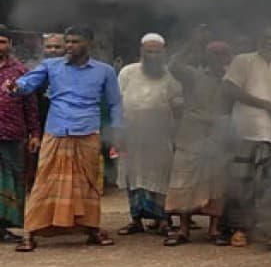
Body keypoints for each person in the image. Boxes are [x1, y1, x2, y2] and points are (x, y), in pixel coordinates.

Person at [7, 26, 122, 252]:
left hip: (88, 131)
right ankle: (30, 232)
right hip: (57, 130)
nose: (69, 46)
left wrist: (117, 130)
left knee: (88, 183)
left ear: (89, 42)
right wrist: (15, 87)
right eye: (67, 42)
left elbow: (115, 103)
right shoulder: (51, 66)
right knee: (45, 182)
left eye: (75, 42)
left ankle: (91, 228)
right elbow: (27, 83)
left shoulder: (105, 71)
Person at [222, 28, 271, 248]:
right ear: (258, 40)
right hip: (245, 131)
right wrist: (266, 105)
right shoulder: (243, 61)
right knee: (240, 183)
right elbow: (229, 89)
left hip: (269, 135)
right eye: (266, 38)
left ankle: (255, 229)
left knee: (263, 186)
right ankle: (237, 229)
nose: (270, 43)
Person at [164, 36, 232, 246]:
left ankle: (213, 230)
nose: (218, 59)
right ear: (206, 56)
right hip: (191, 133)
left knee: (216, 182)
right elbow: (174, 65)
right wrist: (191, 43)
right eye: (213, 55)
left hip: (219, 134)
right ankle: (183, 229)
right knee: (185, 181)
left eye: (222, 55)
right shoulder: (193, 76)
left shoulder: (232, 80)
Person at [116, 33, 184, 237]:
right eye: (149, 51)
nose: (152, 55)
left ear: (163, 53)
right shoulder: (128, 72)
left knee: (161, 177)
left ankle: (163, 220)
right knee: (132, 177)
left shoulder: (170, 75)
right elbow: (117, 102)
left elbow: (178, 107)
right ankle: (135, 220)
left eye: (156, 52)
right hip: (132, 134)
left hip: (160, 136)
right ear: (141, 52)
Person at [0, 26, 40, 242]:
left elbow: (31, 106)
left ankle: (5, 227)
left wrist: (35, 133)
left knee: (13, 181)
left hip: (13, 135)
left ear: (10, 45)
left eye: (2, 41)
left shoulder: (20, 71)